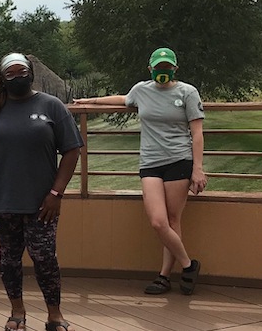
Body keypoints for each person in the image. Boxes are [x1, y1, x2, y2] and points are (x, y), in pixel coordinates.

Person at [0, 53, 84, 331]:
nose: (18, 78)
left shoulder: (51, 106)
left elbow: (72, 150)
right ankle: (17, 312)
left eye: (22, 72)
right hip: (0, 200)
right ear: (2, 78)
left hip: (42, 203)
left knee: (45, 258)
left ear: (31, 73)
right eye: (11, 74)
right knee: (9, 259)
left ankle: (54, 315)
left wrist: (57, 193)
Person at [75, 47, 206, 295]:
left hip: (179, 160)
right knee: (158, 221)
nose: (163, 72)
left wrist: (197, 169)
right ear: (150, 69)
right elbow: (122, 99)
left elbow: (197, 133)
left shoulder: (187, 92)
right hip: (151, 162)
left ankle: (164, 276)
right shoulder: (142, 90)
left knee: (173, 219)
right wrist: (89, 101)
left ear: (175, 69)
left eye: (167, 68)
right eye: (159, 68)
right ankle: (189, 265)